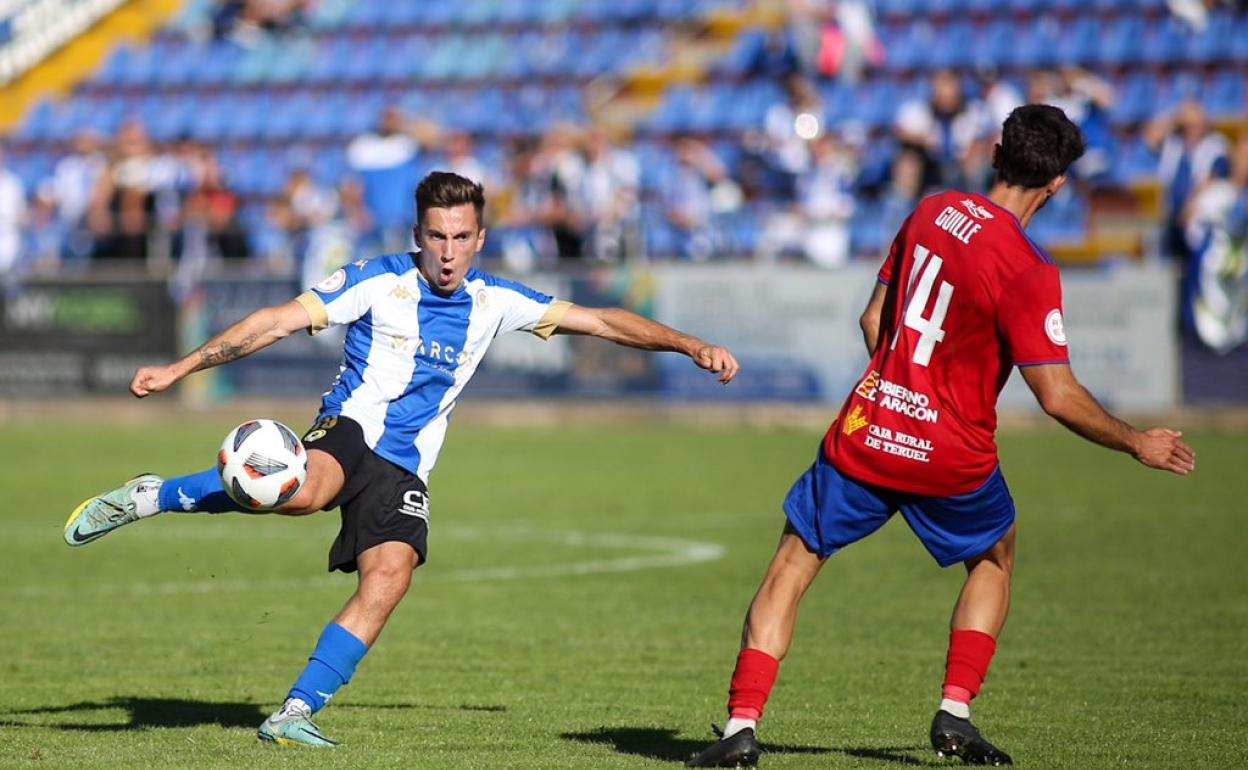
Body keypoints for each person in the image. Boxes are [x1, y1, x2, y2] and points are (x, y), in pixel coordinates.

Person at [64, 171, 740, 748]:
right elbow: (272, 321)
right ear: (420, 234)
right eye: (436, 237)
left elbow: (606, 322)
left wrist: (690, 345)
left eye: (461, 238)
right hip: (351, 430)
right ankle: (154, 495)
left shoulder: (498, 301)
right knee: (298, 493)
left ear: (480, 239)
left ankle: (294, 712)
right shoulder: (375, 282)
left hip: (407, 466)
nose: (448, 253)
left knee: (390, 577)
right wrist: (180, 368)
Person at [685, 105, 1195, 768]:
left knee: (792, 564)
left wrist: (897, 389)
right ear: (1058, 184)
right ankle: (955, 713)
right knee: (994, 558)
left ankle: (739, 730)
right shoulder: (1028, 271)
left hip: (870, 431)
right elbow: (1057, 396)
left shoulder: (933, 209)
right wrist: (1136, 442)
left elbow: (872, 320)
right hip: (952, 456)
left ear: (994, 154)